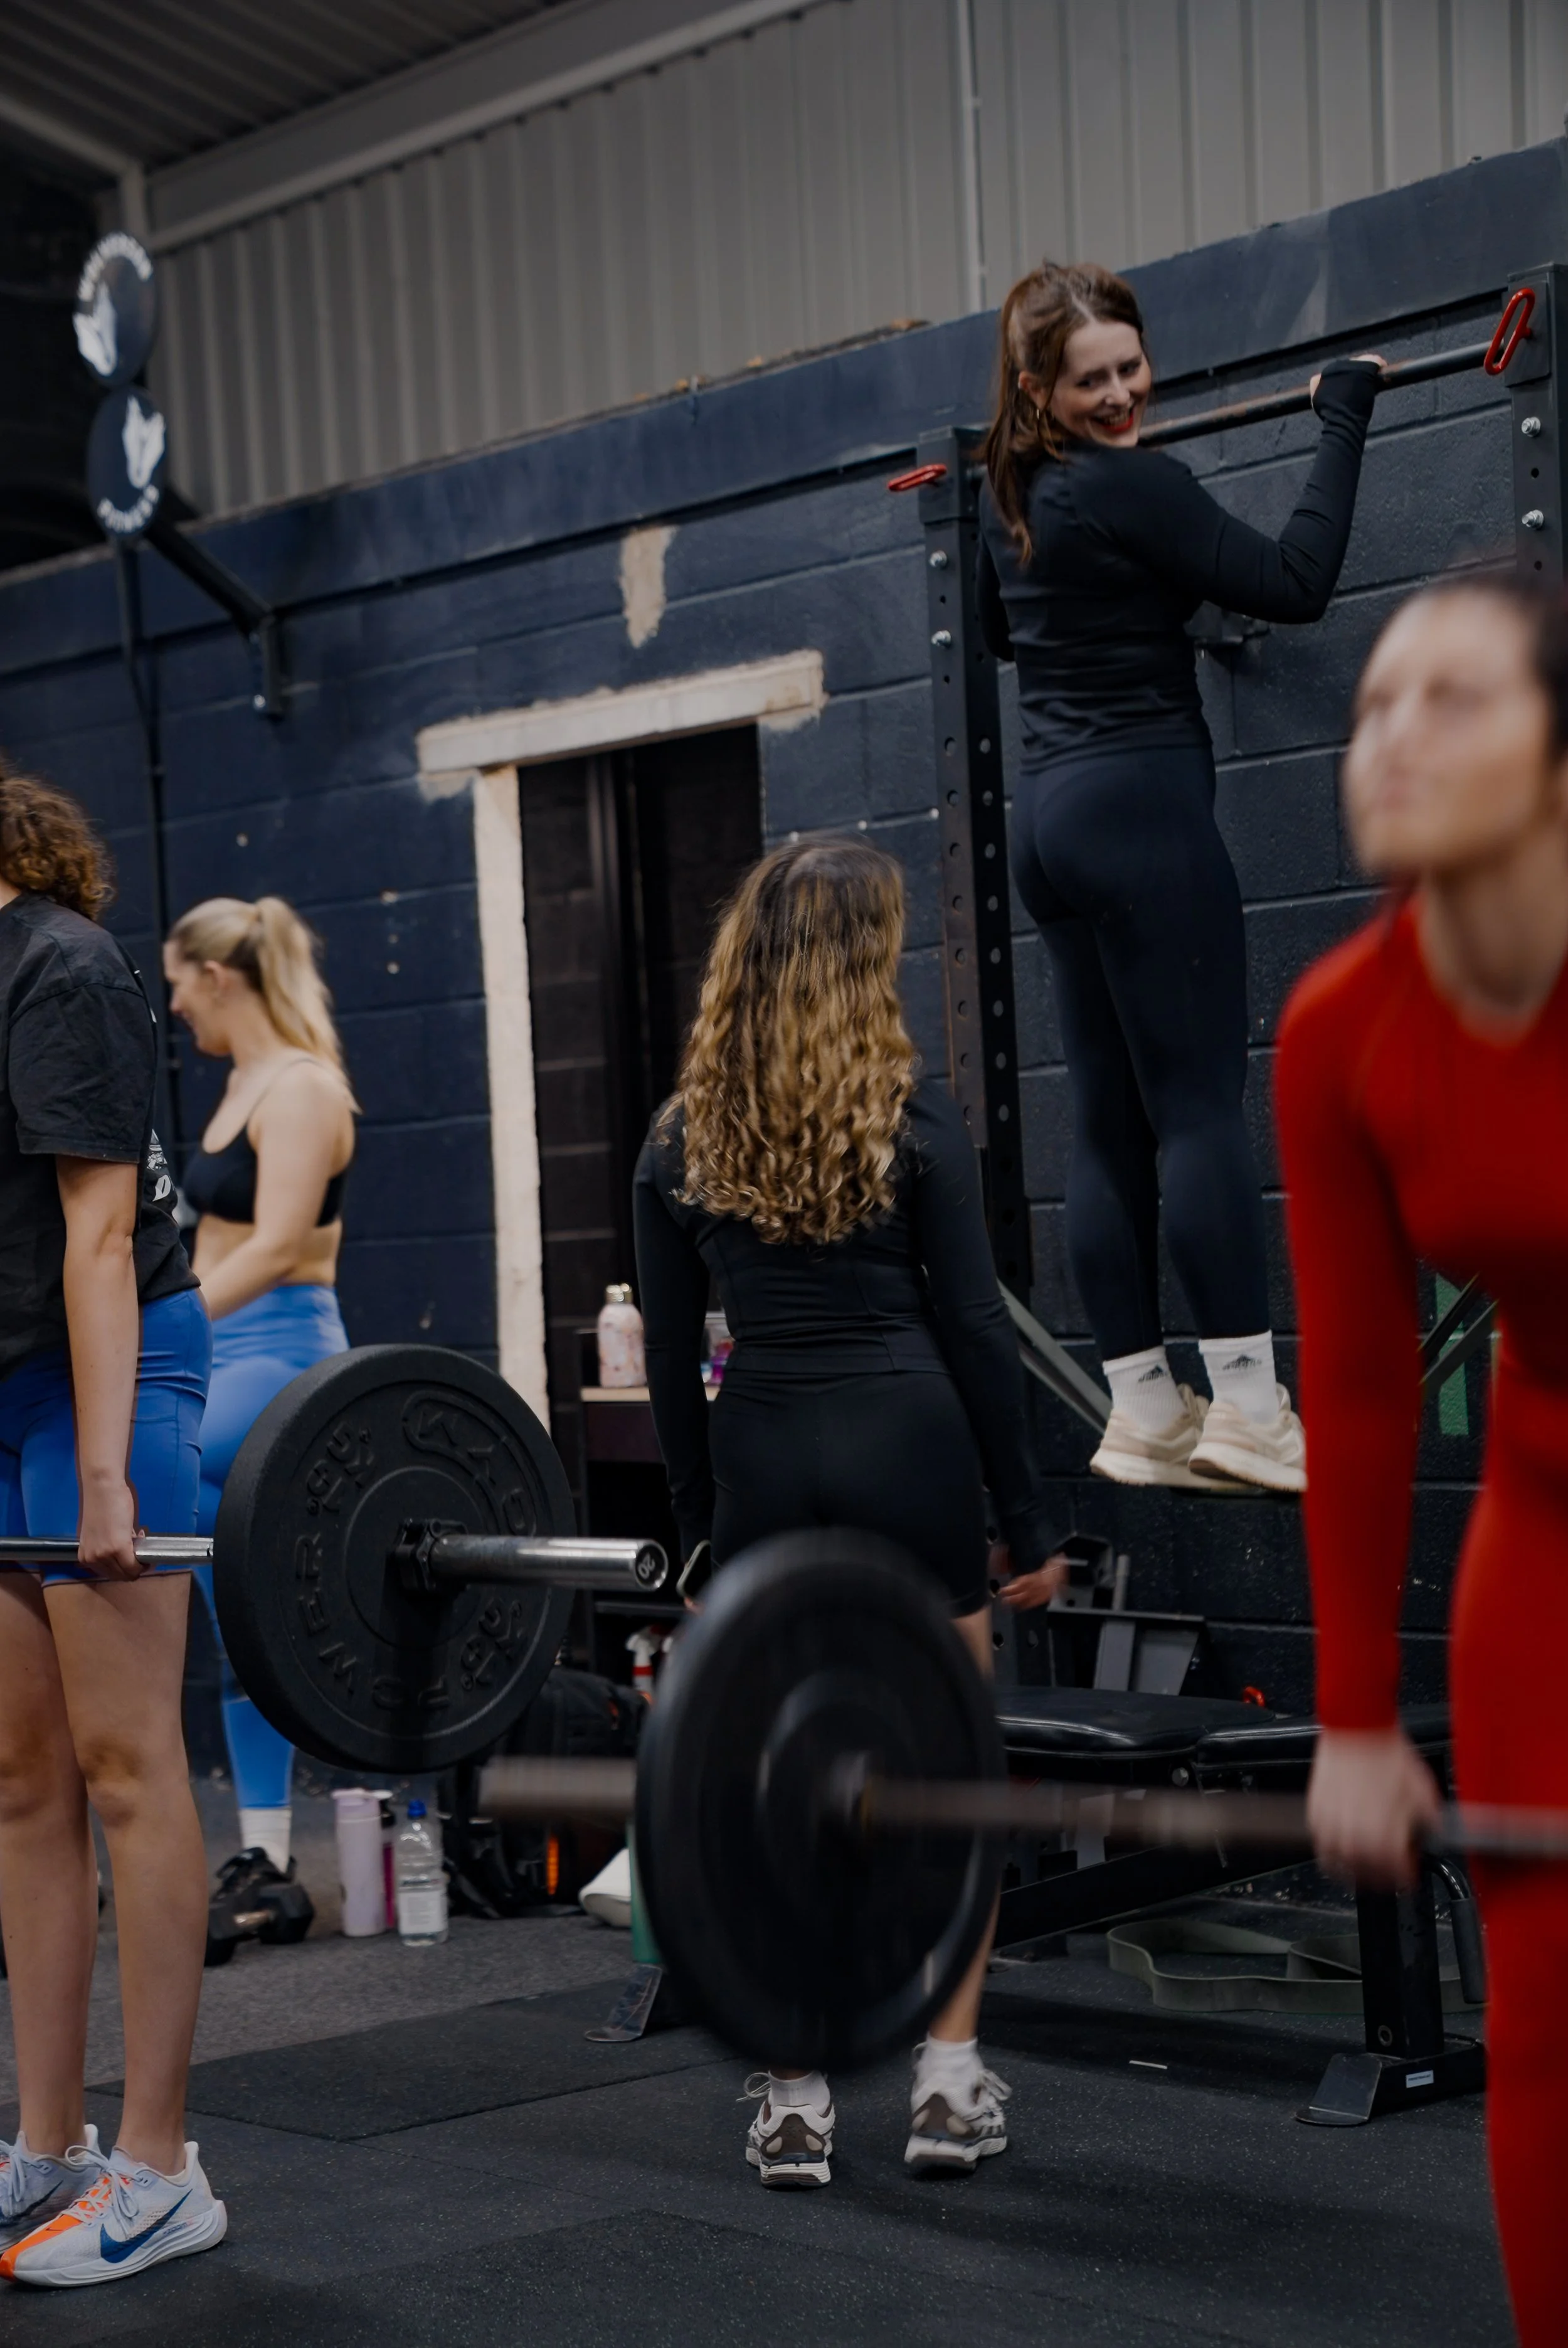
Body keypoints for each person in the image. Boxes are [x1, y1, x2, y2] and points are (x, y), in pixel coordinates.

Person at [633, 836, 1066, 2188]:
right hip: (910, 1449)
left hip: (767, 1457)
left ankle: (795, 2097)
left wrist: (700, 1530)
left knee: (784, 1786)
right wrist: (1028, 1514)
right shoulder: (910, 1115)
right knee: (945, 1776)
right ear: (858, 963)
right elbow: (979, 1331)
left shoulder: (677, 1133)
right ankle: (944, 2083)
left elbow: (663, 1354)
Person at [1278, 576, 1568, 2347]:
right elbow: (1367, 1384)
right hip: (1542, 1521)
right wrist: (1355, 1721)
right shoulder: (1339, 1026)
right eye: (1371, 702)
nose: (1388, 734)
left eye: (1450, 699)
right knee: (1538, 2018)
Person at [977, 258, 1384, 1494]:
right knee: (1196, 1110)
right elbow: (1293, 580)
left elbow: (1015, 631)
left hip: (1046, 823)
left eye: (1127, 368)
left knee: (1105, 1120)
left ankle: (1144, 1409)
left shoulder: (1012, 498)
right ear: (1040, 389)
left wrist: (1162, 609)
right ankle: (1251, 1411)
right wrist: (1344, 409)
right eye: (1087, 379)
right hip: (1140, 808)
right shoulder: (1131, 483)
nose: (1117, 394)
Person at [0, 762, 226, 2286]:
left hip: (112, 1373)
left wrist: (100, 1474)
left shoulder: (63, 967)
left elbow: (93, 1230)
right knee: (18, 1777)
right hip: (8, 1378)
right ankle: (47, 2143)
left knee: (129, 1763)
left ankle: (161, 2163)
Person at [163, 898, 356, 1914]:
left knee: (210, 1543)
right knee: (226, 1615)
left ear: (220, 976)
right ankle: (267, 1856)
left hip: (280, 1343)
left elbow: (277, 1245)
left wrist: (167, 1327)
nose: (176, 1002)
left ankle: (271, 1855)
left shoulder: (304, 1087)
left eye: (179, 981)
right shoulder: (237, 1083)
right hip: (217, 1339)